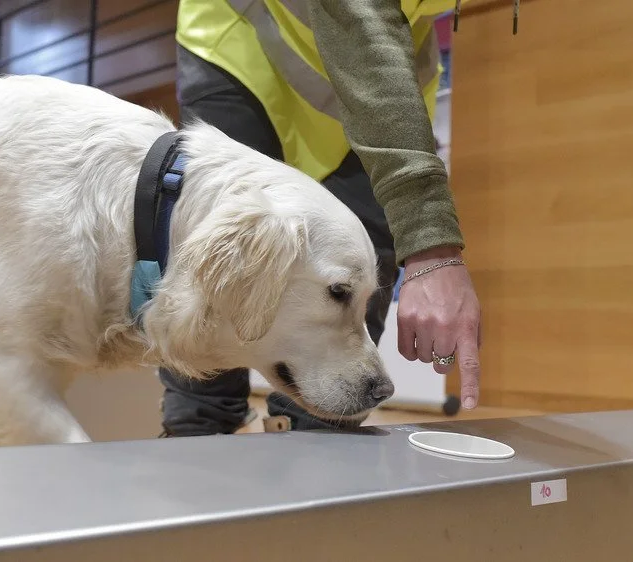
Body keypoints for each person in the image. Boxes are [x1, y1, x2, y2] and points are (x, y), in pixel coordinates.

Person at [158, 0, 482, 436]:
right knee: (225, 253)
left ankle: (314, 465)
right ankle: (194, 442)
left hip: (383, 74)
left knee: (356, 264)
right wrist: (432, 244)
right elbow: (358, 15)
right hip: (244, 43)